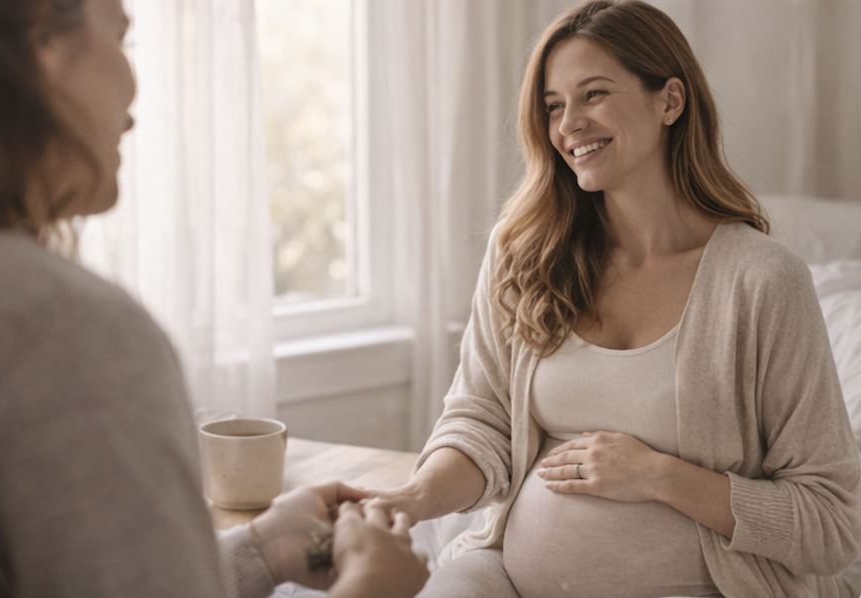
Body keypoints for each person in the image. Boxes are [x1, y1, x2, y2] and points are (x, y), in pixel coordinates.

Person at [0, 0, 429, 597]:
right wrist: (373, 584)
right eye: (123, 38)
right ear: (40, 39)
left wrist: (262, 549)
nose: (133, 93)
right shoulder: (61, 330)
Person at [367, 1, 861, 597]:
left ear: (670, 101)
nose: (567, 123)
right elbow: (482, 422)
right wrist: (412, 497)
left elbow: (835, 523)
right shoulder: (524, 252)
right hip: (507, 578)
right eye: (554, 106)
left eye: (593, 94)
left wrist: (661, 477)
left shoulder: (763, 281)